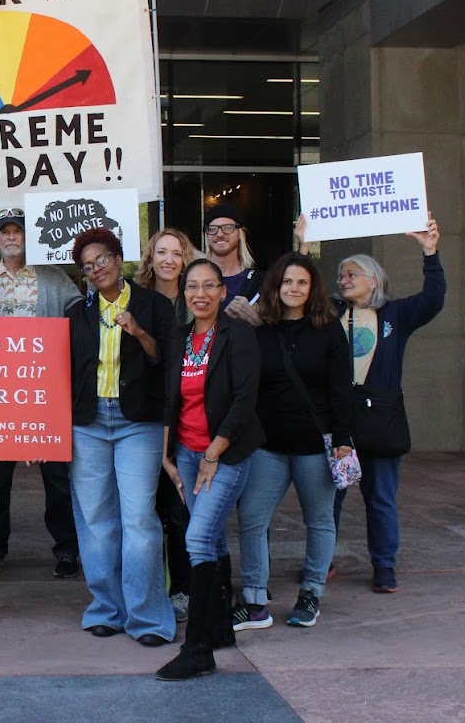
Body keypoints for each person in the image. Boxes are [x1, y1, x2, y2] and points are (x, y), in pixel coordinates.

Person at [321, 214, 445, 594]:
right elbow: (297, 291)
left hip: (380, 418)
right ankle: (321, 562)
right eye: (342, 275)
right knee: (328, 497)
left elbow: (433, 298)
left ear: (373, 280)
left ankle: (384, 566)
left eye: (352, 274)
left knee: (381, 497)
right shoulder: (329, 313)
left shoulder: (395, 313)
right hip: (339, 416)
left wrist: (430, 251)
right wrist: (303, 246)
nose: (344, 280)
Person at [66, 227, 177, 645]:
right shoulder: (78, 313)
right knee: (95, 520)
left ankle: (147, 618)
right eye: (87, 266)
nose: (96, 269)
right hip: (88, 423)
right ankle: (106, 609)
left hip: (138, 424)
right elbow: (64, 373)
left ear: (119, 259)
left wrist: (139, 332)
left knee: (139, 520)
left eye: (102, 260)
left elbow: (167, 359)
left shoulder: (155, 306)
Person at [157, 259, 265, 681]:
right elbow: (171, 398)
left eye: (209, 286)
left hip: (226, 453)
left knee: (198, 537)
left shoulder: (238, 335)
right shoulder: (181, 337)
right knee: (213, 537)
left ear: (223, 291)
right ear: (183, 293)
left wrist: (213, 454)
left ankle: (198, 648)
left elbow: (243, 401)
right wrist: (167, 453)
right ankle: (220, 627)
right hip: (185, 451)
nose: (199, 294)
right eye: (191, 287)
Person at [235, 253, 353, 633]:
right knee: (252, 519)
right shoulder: (261, 329)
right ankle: (255, 601)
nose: (294, 288)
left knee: (319, 521)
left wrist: (343, 438)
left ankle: (311, 594)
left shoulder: (329, 329)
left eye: (302, 282)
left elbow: (341, 388)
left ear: (312, 287)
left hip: (315, 446)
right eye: (287, 282)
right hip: (268, 444)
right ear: (276, 286)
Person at [0, 207, 81, 580]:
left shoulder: (54, 279)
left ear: (28, 236)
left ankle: (67, 549)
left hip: (45, 391)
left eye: (16, 231)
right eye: (3, 231)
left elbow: (79, 319)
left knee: (56, 476)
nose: (10, 237)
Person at [134, 227, 200, 621]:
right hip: (143, 415)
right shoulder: (137, 301)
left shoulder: (197, 301)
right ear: (150, 258)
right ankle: (147, 586)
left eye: (177, 253)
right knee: (145, 509)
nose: (169, 260)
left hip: (186, 418)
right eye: (161, 252)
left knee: (179, 510)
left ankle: (184, 589)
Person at [203, 203, 262, 327]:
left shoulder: (259, 282)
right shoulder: (194, 280)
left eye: (228, 227)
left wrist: (256, 321)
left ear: (241, 234)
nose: (219, 234)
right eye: (213, 228)